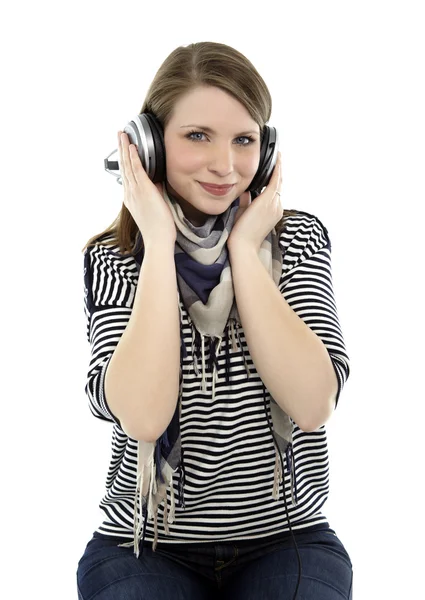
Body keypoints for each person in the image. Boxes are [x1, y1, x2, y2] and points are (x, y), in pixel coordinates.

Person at [76, 41, 353, 600]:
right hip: (144, 546)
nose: (226, 165)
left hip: (288, 539)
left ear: (266, 150)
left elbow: (313, 401)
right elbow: (143, 417)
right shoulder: (116, 255)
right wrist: (156, 241)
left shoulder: (296, 239)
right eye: (197, 136)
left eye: (244, 140)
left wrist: (247, 252)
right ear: (150, 146)